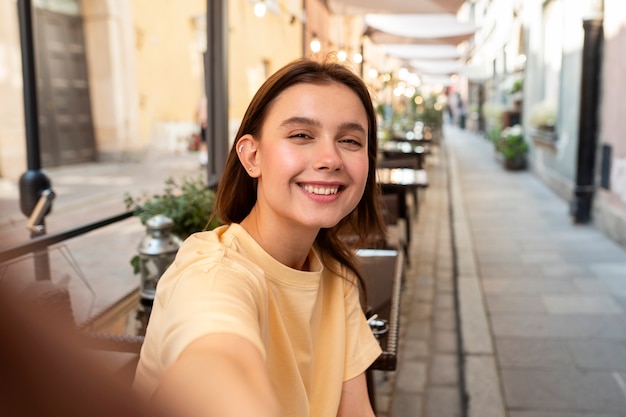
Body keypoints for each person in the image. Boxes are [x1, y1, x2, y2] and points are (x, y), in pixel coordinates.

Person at [133, 57, 387, 417]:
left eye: (349, 140)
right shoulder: (212, 273)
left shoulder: (334, 275)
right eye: (301, 135)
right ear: (252, 156)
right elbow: (217, 351)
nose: (331, 158)